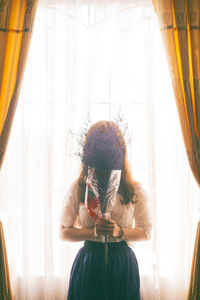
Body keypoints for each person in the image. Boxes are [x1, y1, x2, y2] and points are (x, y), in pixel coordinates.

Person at [59, 120, 152, 300]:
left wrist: (120, 231)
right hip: (89, 263)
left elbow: (146, 232)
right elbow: (63, 232)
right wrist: (92, 232)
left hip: (122, 264)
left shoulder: (134, 190)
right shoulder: (80, 188)